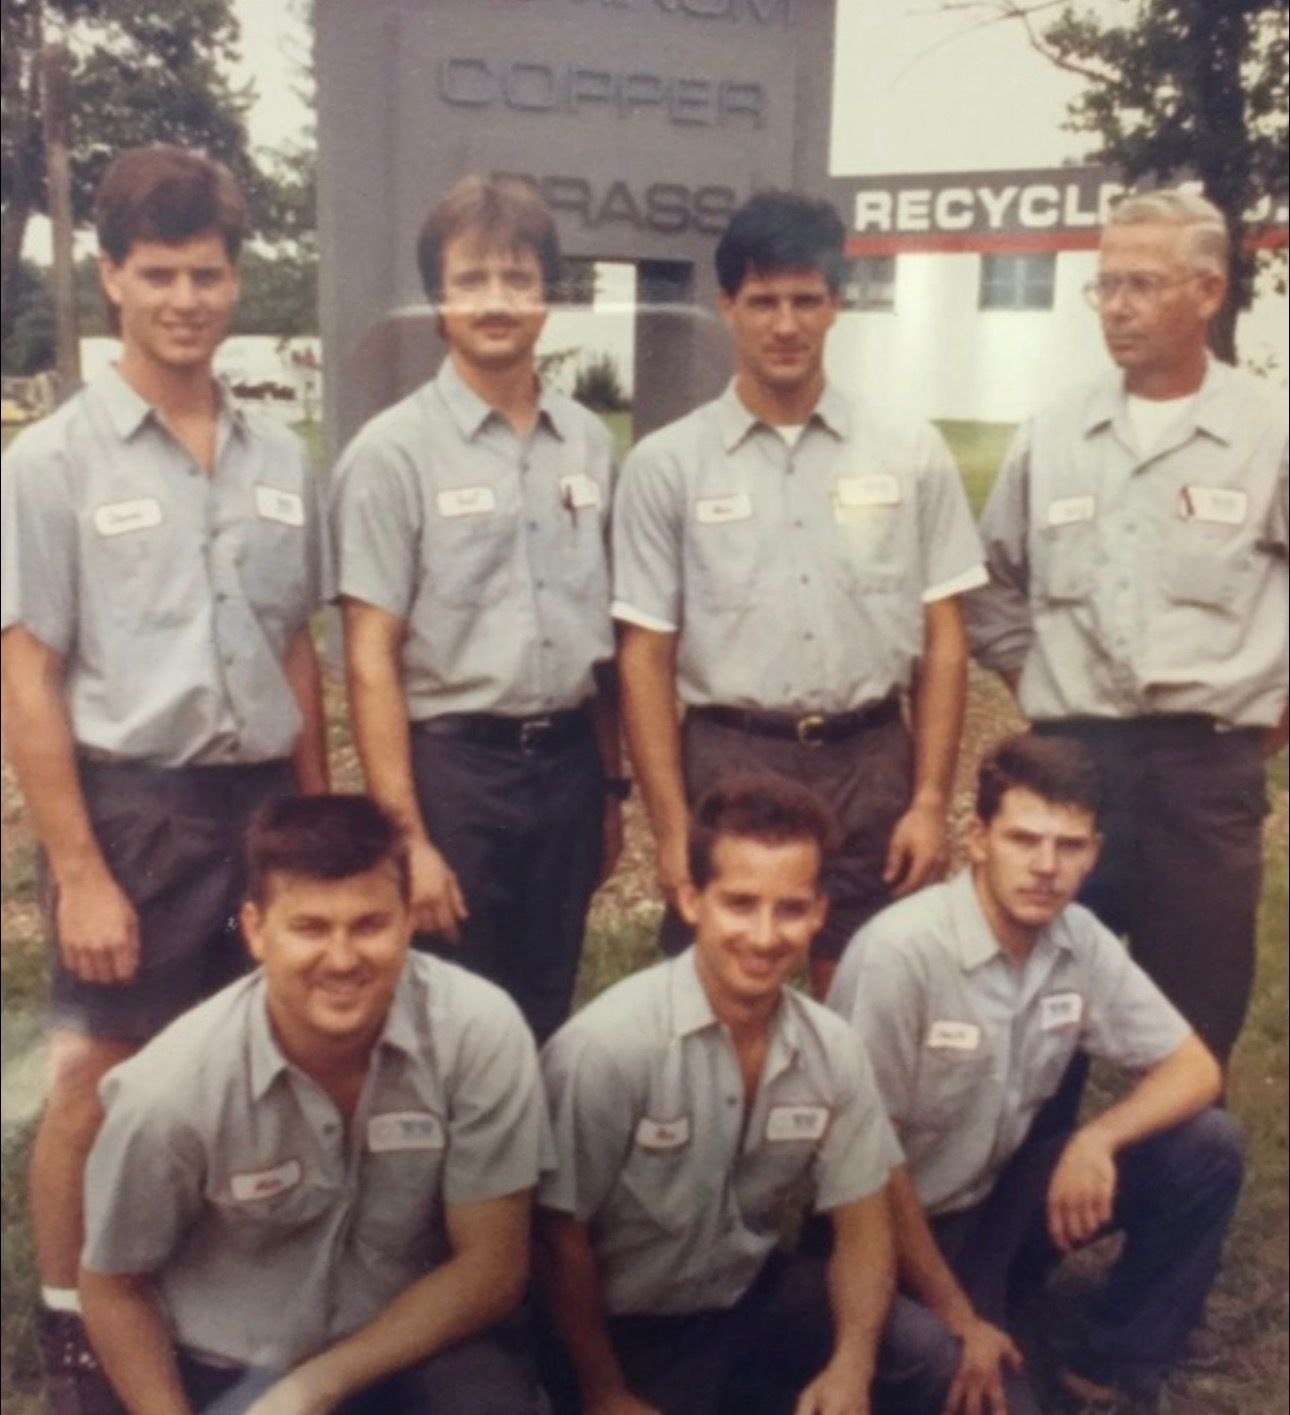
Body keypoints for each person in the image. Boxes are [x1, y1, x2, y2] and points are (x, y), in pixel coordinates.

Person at [0, 145, 329, 1414]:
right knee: (97, 1076)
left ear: (237, 277)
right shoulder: (53, 461)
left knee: (260, 1060)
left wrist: (318, 810)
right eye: (158, 274)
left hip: (262, 803)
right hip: (130, 804)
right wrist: (78, 866)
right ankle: (76, 1326)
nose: (186, 297)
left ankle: (214, 1304)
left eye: (208, 272)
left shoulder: (278, 454)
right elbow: (27, 673)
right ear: (111, 277)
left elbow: (296, 644)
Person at [614, 189, 984, 992]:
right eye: (763, 301)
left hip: (871, 759)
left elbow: (945, 636)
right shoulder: (667, 465)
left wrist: (928, 799)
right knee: (716, 998)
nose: (786, 323)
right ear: (727, 308)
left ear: (836, 304)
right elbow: (644, 654)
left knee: (868, 989)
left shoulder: (906, 450)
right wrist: (672, 825)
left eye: (806, 299)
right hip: (730, 756)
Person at [79, 793, 548, 1414]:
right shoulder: (170, 1091)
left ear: (409, 920)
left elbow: (491, 1267)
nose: (343, 958)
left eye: (369, 925)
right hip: (233, 1372)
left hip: (409, 1342)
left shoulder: (478, 1030)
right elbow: (114, 1289)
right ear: (255, 931)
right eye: (310, 928)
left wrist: (316, 1387)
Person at [967, 188, 1288, 1067]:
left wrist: (1270, 712)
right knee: (1042, 1011)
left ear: (1208, 292)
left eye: (1142, 285)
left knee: (1195, 1018)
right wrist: (1038, 680)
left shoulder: (1268, 432)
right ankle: (1033, 1190)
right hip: (1074, 764)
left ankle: (1171, 1191)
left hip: (1204, 771)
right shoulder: (1056, 432)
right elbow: (988, 579)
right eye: (1104, 285)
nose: (1116, 307)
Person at [828, 735, 1244, 1414]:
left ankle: (1115, 1366)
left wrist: (1096, 1139)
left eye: (1070, 845)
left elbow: (1194, 1067)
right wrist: (958, 1315)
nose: (1046, 867)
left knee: (1208, 1144)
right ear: (978, 837)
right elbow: (870, 1168)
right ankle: (961, 1326)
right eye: (1024, 839)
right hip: (886, 1232)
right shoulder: (900, 954)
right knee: (999, 1399)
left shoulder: (1078, 938)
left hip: (998, 1200)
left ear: (1095, 852)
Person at [537, 773, 960, 1415]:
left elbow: (863, 1225)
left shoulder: (831, 1048)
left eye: (791, 909)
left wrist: (852, 1365)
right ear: (690, 899)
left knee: (924, 1354)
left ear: (819, 911)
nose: (765, 938)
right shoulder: (607, 1048)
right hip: (622, 1330)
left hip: (746, 1296)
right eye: (739, 904)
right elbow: (556, 1240)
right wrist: (603, 1390)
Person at [331, 175, 624, 1043]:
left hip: (567, 768)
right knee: (454, 1017)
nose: (496, 301)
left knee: (546, 1003)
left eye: (518, 279)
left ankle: (527, 1179)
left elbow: (605, 644)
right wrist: (409, 837)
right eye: (471, 281)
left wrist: (610, 791)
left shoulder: (593, 444)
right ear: (436, 300)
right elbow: (369, 657)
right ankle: (450, 1180)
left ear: (551, 296)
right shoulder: (391, 454)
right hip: (456, 775)